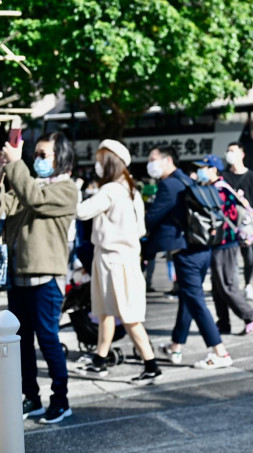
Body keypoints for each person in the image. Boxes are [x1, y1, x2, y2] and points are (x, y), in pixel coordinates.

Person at [1, 131, 78, 423]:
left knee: (48, 340)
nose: (38, 160)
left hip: (45, 279)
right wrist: (2, 173)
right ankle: (31, 397)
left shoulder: (66, 189)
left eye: (44, 155)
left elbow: (34, 199)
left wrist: (16, 165)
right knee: (21, 342)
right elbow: (4, 207)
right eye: (37, 154)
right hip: (18, 277)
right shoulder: (28, 183)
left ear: (62, 157)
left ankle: (61, 400)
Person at [74, 140, 162, 384]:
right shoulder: (129, 189)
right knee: (105, 313)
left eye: (100, 159)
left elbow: (81, 212)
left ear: (109, 162)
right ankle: (100, 361)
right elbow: (141, 228)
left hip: (113, 260)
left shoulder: (111, 190)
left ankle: (151, 365)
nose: (97, 165)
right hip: (121, 258)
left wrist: (71, 190)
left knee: (127, 315)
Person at [144, 144, 233, 369]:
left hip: (186, 252)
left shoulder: (169, 185)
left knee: (194, 300)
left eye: (153, 159)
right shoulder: (186, 180)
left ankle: (219, 352)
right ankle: (175, 346)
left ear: (167, 160)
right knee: (187, 299)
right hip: (202, 248)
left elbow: (152, 218)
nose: (150, 163)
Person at [195, 155, 253, 335]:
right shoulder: (214, 187)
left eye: (204, 167)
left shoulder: (220, 189)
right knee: (217, 286)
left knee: (226, 284)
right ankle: (223, 323)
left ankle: (250, 316)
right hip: (219, 243)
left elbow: (227, 216)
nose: (200, 171)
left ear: (214, 169)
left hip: (225, 242)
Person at [223, 141, 253, 301]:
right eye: (228, 151)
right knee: (229, 258)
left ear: (242, 154)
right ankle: (231, 287)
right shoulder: (224, 176)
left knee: (249, 256)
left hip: (247, 225)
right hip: (229, 224)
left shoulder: (252, 176)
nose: (229, 154)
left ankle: (248, 285)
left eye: (232, 150)